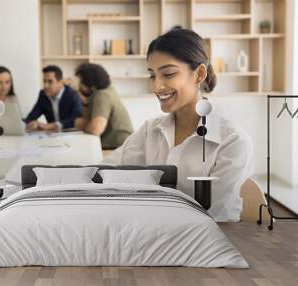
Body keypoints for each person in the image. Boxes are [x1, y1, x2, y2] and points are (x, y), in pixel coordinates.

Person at [103, 29, 253, 222]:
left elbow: (212, 213)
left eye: (168, 74)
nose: (157, 86)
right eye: (152, 76)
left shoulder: (232, 140)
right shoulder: (150, 131)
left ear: (199, 74)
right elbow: (108, 172)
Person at [74, 63, 133, 149]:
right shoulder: (108, 90)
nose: (79, 86)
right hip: (119, 145)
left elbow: (95, 129)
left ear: (91, 85)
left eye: (81, 82)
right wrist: (85, 102)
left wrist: (82, 125)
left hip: (116, 147)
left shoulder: (102, 95)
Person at [24, 65, 82, 132]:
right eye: (44, 81)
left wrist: (49, 126)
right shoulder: (43, 94)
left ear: (60, 82)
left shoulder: (73, 94)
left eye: (50, 81)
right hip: (52, 137)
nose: (45, 85)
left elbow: (75, 118)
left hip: (71, 136)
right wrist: (22, 124)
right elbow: (32, 116)